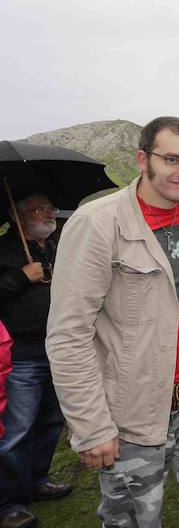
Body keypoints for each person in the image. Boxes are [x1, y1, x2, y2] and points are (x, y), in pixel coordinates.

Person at [46, 117, 179, 527]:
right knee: (134, 520)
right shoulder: (97, 223)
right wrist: (92, 426)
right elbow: (69, 336)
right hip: (132, 412)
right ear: (142, 159)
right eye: (172, 159)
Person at [0, 191, 72, 528]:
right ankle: (10, 504)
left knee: (51, 422)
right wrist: (18, 278)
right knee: (17, 429)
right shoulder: (3, 251)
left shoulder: (54, 246)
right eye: (38, 209)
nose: (48, 214)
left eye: (50, 208)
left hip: (58, 348)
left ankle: (37, 481)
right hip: (22, 354)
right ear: (17, 216)